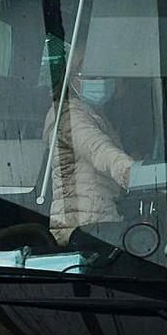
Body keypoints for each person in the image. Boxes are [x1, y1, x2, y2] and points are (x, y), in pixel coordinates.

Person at [44, 73, 140, 244]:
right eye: (91, 76)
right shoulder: (68, 115)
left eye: (104, 75)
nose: (100, 82)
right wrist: (134, 174)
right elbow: (98, 150)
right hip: (81, 227)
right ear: (72, 80)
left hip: (97, 220)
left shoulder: (97, 115)